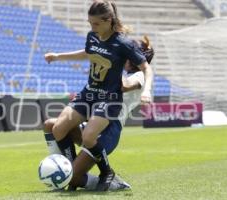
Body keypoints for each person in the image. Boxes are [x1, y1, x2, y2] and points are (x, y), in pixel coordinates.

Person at [44, 0, 153, 191]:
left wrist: (146, 91)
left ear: (108, 20)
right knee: (58, 128)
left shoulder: (124, 45)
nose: (92, 27)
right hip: (88, 95)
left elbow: (144, 70)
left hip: (108, 100)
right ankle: (71, 172)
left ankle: (106, 173)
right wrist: (58, 56)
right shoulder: (92, 37)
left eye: (96, 23)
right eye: (90, 23)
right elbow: (87, 53)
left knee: (88, 137)